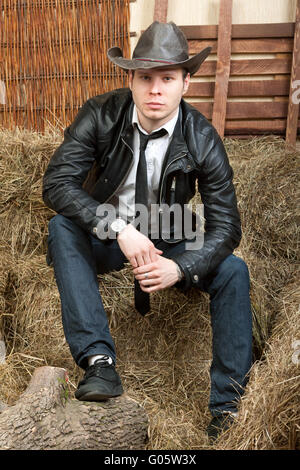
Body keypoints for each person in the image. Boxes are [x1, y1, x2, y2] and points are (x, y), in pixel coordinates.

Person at [42, 21, 252, 441]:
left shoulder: (203, 138)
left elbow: (227, 226)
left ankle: (227, 408)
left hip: (169, 234)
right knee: (62, 227)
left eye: (167, 79)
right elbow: (57, 183)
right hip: (111, 233)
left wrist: (182, 268)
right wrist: (117, 226)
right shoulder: (101, 113)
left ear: (186, 83)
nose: (156, 89)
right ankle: (99, 362)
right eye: (146, 78)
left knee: (233, 270)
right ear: (132, 80)